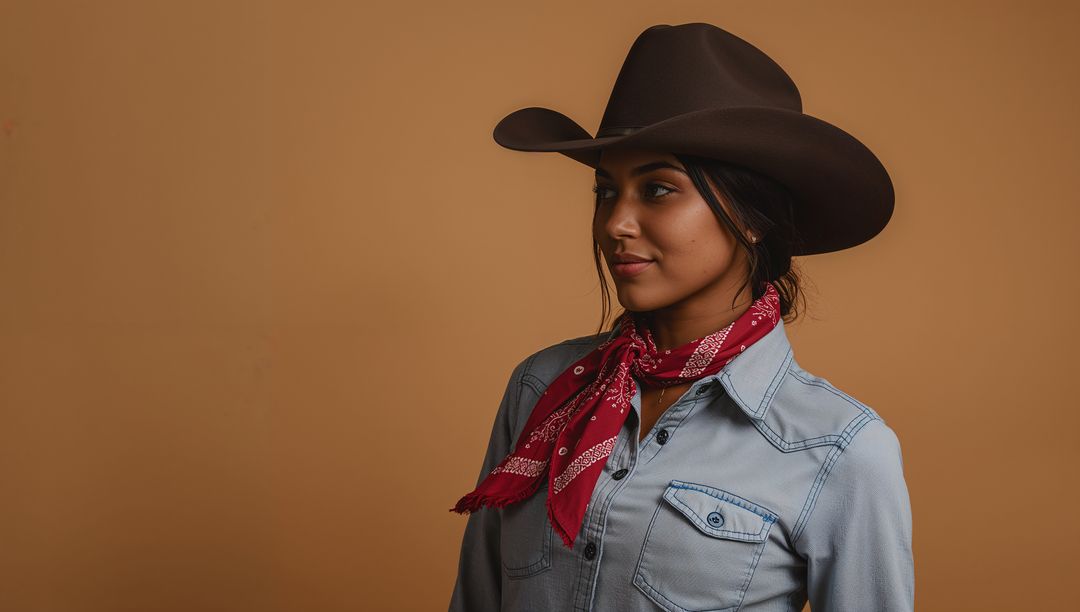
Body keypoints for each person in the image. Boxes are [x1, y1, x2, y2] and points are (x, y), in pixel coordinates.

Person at [448, 22, 913, 612]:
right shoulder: (543, 387)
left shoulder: (839, 449)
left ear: (751, 216)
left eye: (659, 189)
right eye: (605, 191)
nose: (617, 223)